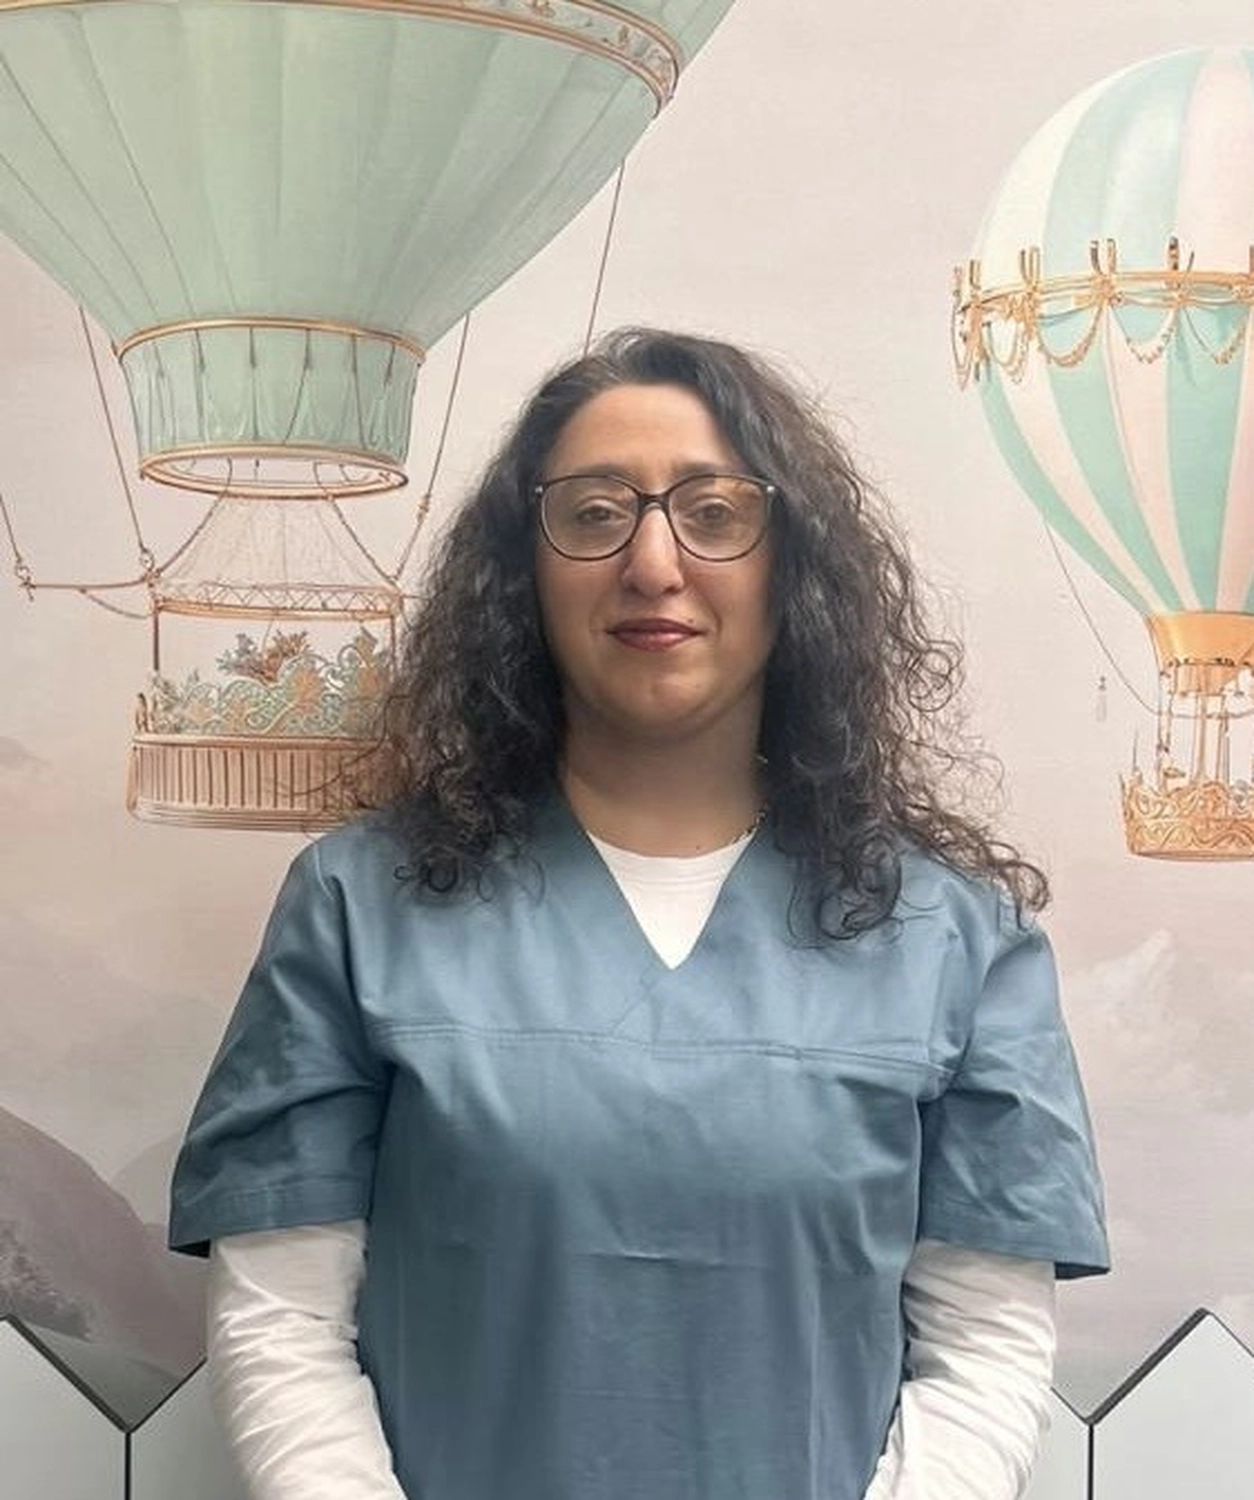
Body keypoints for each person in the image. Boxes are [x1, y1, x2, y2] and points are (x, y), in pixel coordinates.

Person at [169, 327, 1109, 1500]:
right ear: (522, 567)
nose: (654, 563)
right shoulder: (360, 906)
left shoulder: (958, 945)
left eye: (714, 513)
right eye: (595, 513)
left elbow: (982, 1349)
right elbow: (284, 1322)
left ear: (794, 567)